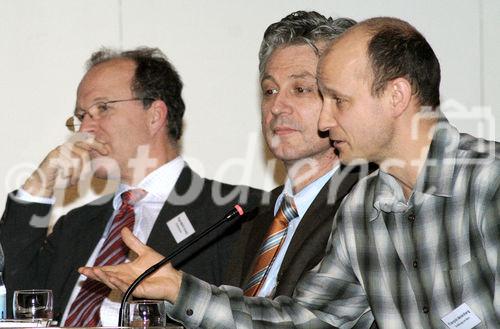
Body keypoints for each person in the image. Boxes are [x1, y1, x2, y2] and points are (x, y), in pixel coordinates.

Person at [81, 17, 499, 329]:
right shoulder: (363, 209)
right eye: (269, 91)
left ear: (396, 95)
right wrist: (176, 289)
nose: (326, 118)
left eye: (336, 99)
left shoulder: (489, 183)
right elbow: (305, 320)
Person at [0, 47, 263, 326]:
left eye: (102, 108)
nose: (85, 129)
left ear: (155, 115)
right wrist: (39, 186)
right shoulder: (75, 225)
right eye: (81, 116)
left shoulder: (234, 214)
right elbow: (14, 296)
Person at [224, 11, 372, 300]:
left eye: (301, 89)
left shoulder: (366, 204)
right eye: (269, 90)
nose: (277, 106)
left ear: (342, 99)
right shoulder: (255, 216)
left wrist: (182, 292)